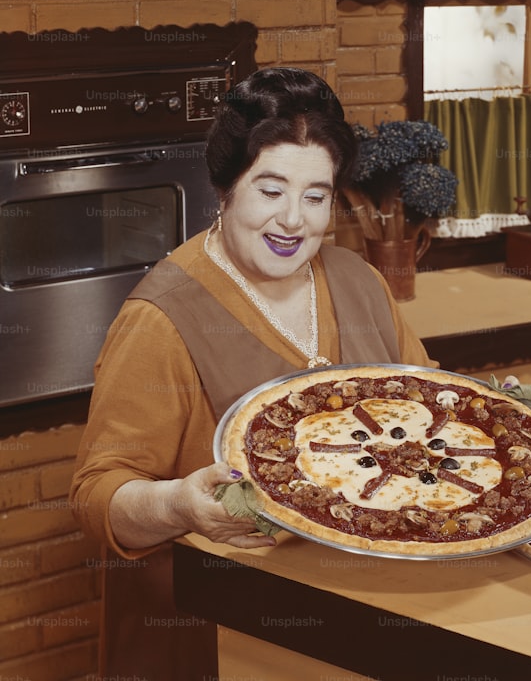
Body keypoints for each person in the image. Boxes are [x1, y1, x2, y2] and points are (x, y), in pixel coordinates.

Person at [70, 67, 436, 678]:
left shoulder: (359, 281)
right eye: (271, 191)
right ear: (225, 189)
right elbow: (96, 495)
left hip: (355, 620)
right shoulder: (163, 316)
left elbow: (429, 404)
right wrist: (177, 506)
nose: (293, 220)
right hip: (214, 630)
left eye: (315, 196)